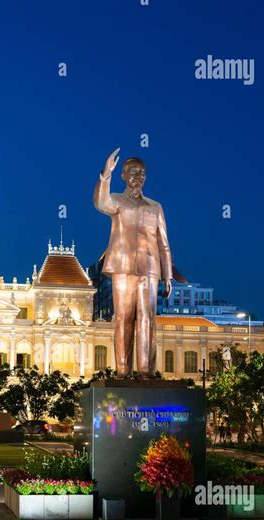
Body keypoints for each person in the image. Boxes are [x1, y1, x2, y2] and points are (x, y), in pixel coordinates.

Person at [94, 149, 173, 377]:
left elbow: (164, 243)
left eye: (142, 173)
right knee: (123, 318)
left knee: (148, 319)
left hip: (150, 269)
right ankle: (122, 371)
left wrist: (167, 275)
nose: (138, 176)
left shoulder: (155, 207)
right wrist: (105, 173)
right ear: (123, 175)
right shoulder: (117, 201)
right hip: (122, 266)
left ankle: (146, 372)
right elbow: (100, 202)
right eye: (133, 172)